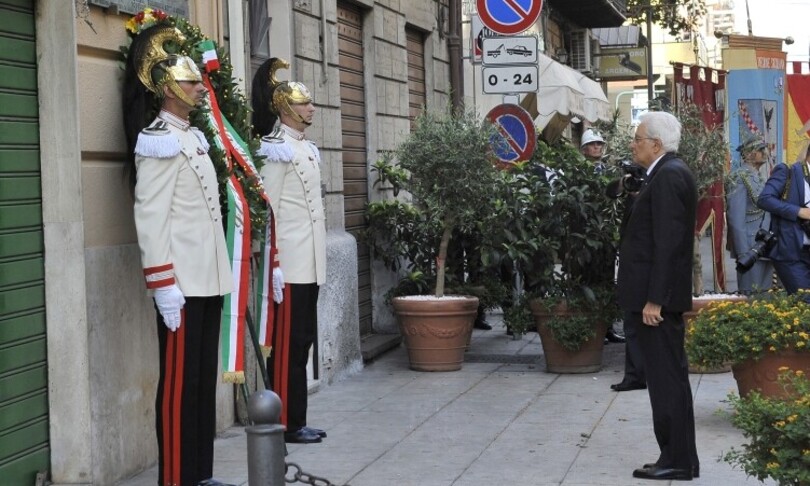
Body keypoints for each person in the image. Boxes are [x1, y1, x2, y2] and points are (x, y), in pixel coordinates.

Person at [122, 26, 235, 486]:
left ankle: (200, 474)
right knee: (178, 386)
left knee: (202, 382)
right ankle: (175, 478)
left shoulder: (193, 138)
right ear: (169, 88)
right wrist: (163, 282)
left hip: (208, 279)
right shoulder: (158, 140)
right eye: (191, 82)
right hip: (181, 284)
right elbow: (150, 216)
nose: (200, 89)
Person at [617, 112, 699, 481]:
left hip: (657, 303)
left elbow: (669, 244)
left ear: (656, 144)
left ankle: (676, 460)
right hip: (653, 297)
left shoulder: (669, 175)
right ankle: (677, 455)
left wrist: (656, 300)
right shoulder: (663, 173)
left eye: (637, 139)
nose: (633, 144)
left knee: (666, 382)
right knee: (667, 380)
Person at [252, 58, 327, 444]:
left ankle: (297, 419)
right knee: (286, 346)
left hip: (309, 263)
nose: (311, 108)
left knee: (302, 342)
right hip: (289, 264)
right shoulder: (275, 149)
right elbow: (270, 209)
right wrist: (274, 261)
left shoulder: (307, 148)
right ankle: (284, 423)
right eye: (304, 103)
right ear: (285, 107)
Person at [580, 128, 626, 345]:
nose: (597, 147)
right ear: (584, 149)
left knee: (607, 280)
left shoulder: (609, 171)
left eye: (599, 144)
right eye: (593, 144)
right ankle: (590, 327)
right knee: (588, 280)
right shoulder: (579, 172)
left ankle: (607, 328)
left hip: (607, 234)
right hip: (587, 236)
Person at [606, 173, 646, 392]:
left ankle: (638, 374)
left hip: (644, 264)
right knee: (632, 321)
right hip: (632, 264)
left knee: (639, 322)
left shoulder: (662, 178)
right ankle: (635, 375)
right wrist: (624, 183)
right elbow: (610, 191)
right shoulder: (634, 177)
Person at [757, 143, 810, 296]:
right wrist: (798, 211)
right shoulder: (788, 171)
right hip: (792, 253)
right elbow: (765, 199)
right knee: (805, 301)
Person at [726, 136, 773, 293]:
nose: (764, 153)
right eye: (760, 150)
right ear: (748, 154)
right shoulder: (739, 177)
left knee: (765, 294)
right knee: (751, 294)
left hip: (764, 243)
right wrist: (743, 252)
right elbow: (735, 216)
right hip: (749, 245)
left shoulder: (759, 177)